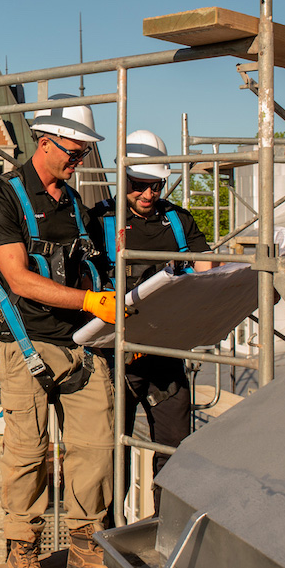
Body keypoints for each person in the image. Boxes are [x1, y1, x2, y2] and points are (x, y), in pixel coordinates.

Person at [0, 95, 120, 568]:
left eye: (83, 154)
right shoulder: (5, 197)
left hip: (80, 344)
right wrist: (88, 300)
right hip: (27, 343)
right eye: (74, 152)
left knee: (96, 448)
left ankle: (87, 545)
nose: (80, 162)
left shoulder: (75, 204)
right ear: (45, 141)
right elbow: (18, 277)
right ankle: (23, 551)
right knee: (28, 454)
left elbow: (83, 266)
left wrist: (99, 297)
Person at [87, 130, 215, 514]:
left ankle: (166, 534)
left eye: (155, 185)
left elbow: (206, 268)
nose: (148, 194)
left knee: (175, 449)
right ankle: (107, 536)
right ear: (123, 178)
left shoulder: (177, 222)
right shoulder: (100, 221)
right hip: (117, 358)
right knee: (112, 454)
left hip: (164, 352)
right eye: (139, 185)